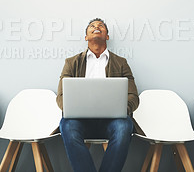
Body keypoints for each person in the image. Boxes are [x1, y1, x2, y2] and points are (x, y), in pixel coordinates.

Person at [55, 18, 144, 172]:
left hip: (112, 122)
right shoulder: (71, 63)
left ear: (107, 36)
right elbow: (61, 96)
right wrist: (72, 108)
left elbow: (133, 96)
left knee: (124, 126)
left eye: (100, 26)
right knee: (66, 125)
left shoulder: (121, 63)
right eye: (92, 26)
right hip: (80, 122)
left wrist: (121, 109)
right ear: (86, 37)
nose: (96, 27)